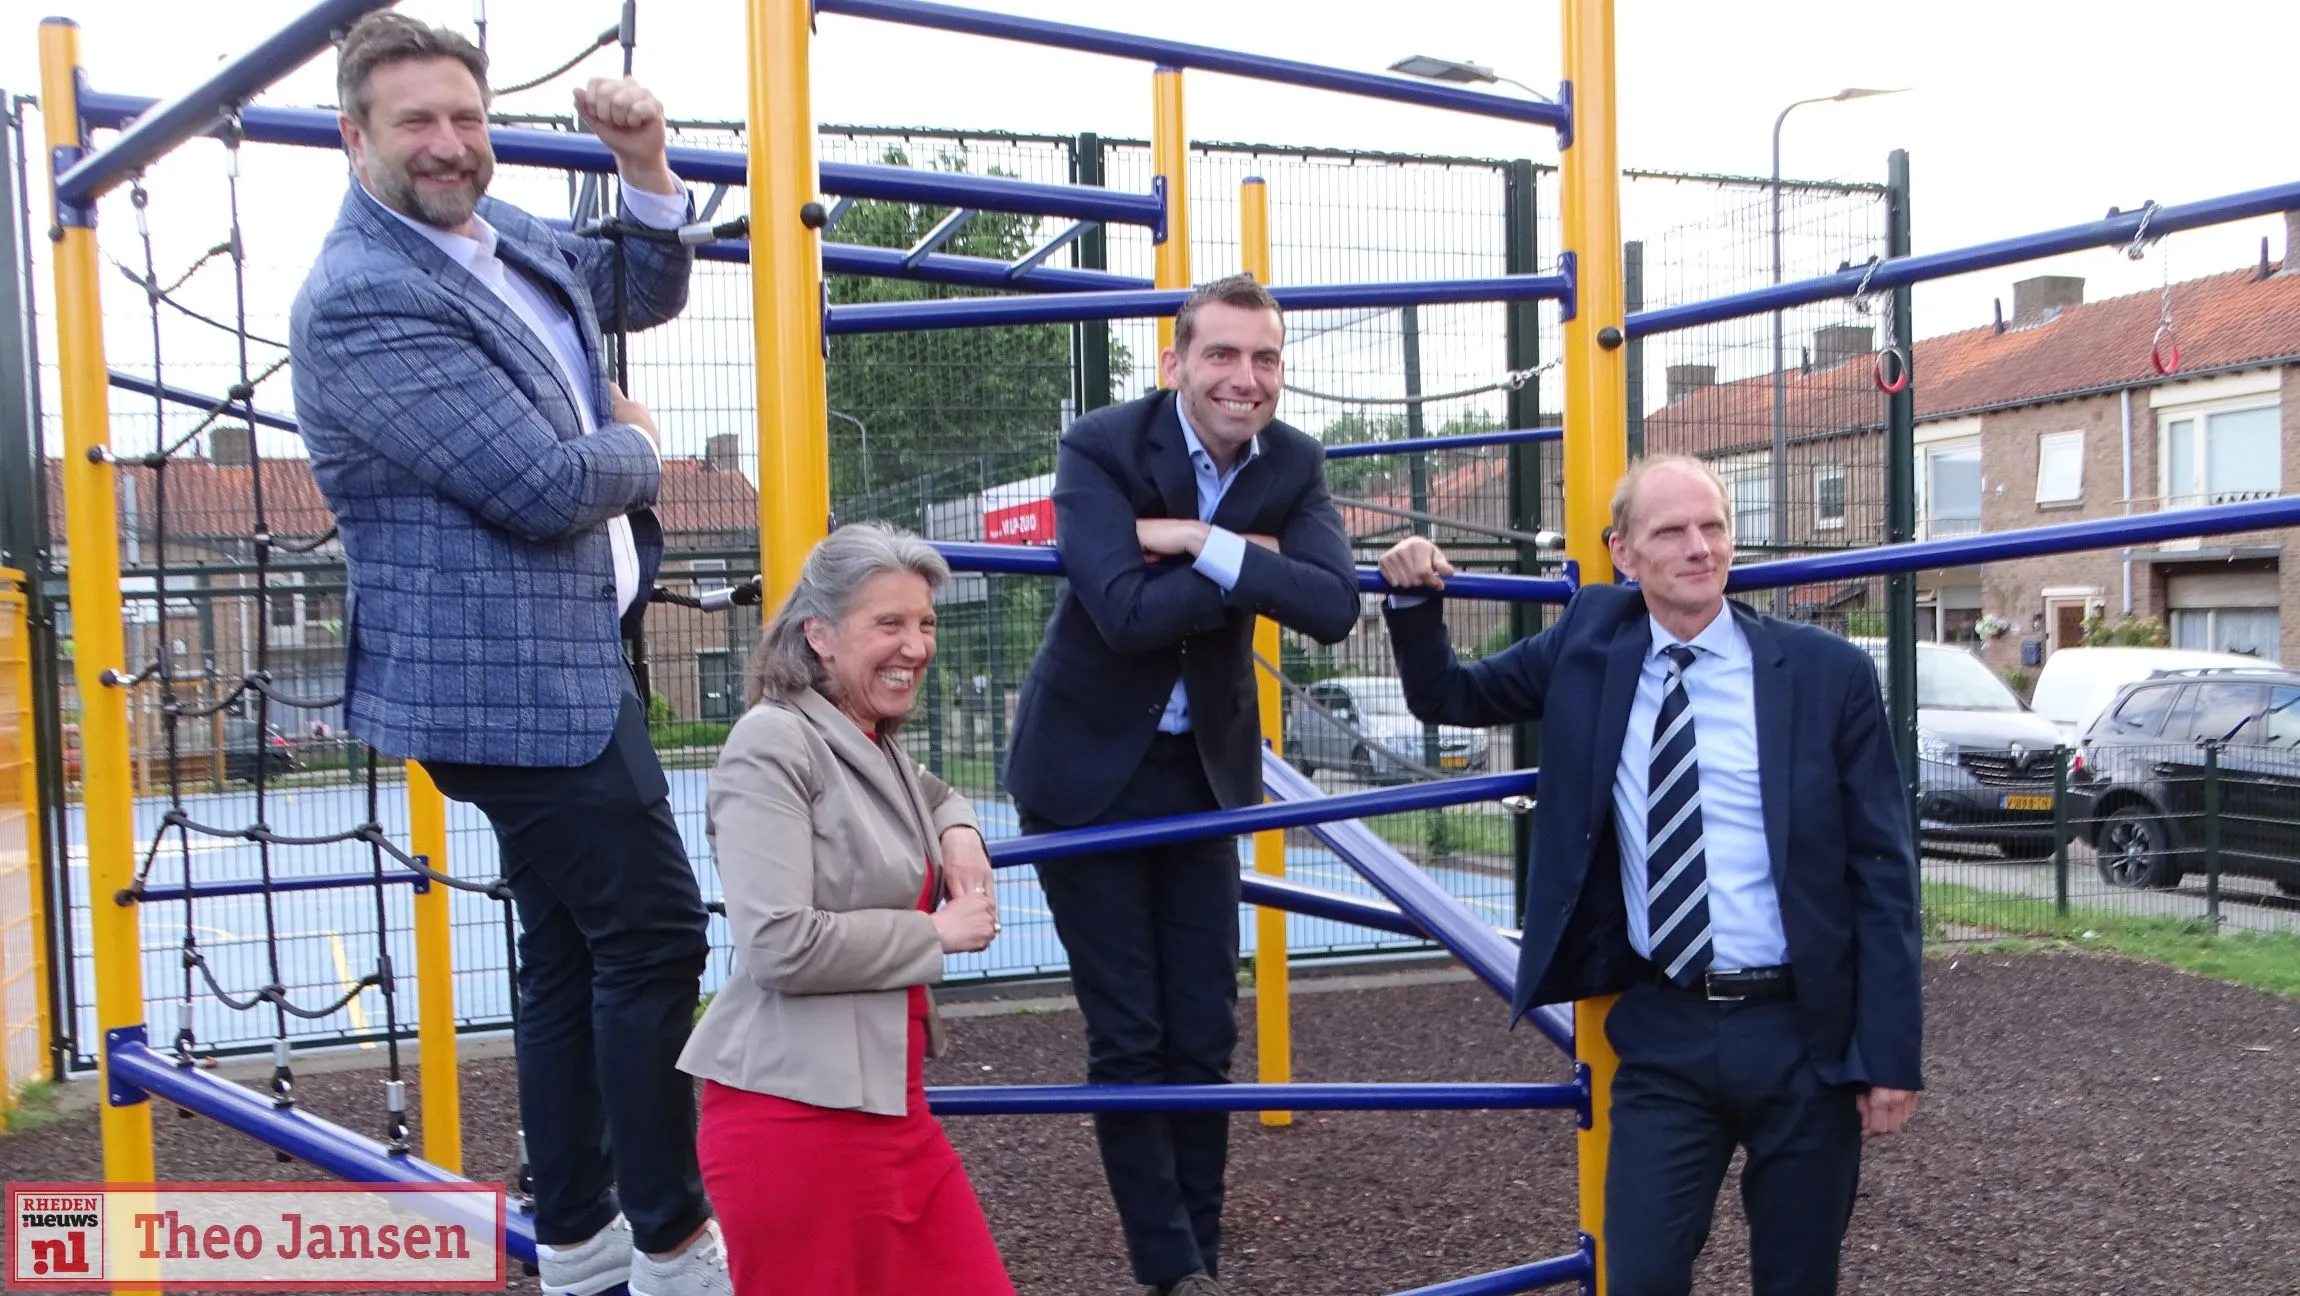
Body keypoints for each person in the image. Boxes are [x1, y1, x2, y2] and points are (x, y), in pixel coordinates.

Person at [288, 14, 723, 1295]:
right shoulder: (365, 293)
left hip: (580, 655)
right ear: (352, 134)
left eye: (465, 117)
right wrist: (647, 448)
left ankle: (580, 1242)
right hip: (507, 688)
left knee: (572, 948)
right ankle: (674, 1241)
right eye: (415, 120)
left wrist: (643, 163)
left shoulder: (495, 235)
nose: (448, 143)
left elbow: (639, 283)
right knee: (651, 935)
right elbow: (536, 484)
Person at [1376, 454, 1922, 1296]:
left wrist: (1889, 1054)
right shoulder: (1588, 645)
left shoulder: (1824, 674)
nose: (1700, 548)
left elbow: (1882, 872)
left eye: (1714, 528)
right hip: (1667, 1028)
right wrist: (1415, 597)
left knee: (1798, 1280)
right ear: (1622, 553)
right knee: (1638, 1277)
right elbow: (1448, 694)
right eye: (1672, 531)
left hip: (1803, 1033)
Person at [1004, 274, 1359, 1296]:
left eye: (1263, 359)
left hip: (1201, 774)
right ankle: (1170, 1273)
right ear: (1174, 366)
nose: (1243, 381)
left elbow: (1332, 607)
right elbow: (1115, 610)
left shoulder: (1290, 460)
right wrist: (1250, 567)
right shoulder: (1104, 446)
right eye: (1220, 355)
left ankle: (1196, 1258)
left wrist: (1196, 542)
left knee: (1202, 1031)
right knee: (1132, 1033)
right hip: (1088, 773)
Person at [680, 523, 1013, 1296]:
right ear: (819, 635)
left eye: (925, 623)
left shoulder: (867, 736)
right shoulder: (771, 743)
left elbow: (922, 791)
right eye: (888, 624)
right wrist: (934, 931)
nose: (916, 645)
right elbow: (777, 944)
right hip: (797, 1120)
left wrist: (957, 826)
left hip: (890, 1111)